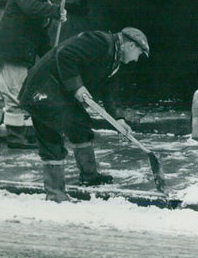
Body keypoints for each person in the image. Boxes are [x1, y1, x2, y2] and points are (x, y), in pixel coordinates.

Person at [19, 27, 150, 202]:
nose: (136, 59)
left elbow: (110, 92)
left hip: (59, 92)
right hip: (43, 90)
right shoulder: (100, 41)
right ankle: (55, 193)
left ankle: (90, 176)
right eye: (139, 54)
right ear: (131, 45)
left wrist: (119, 119)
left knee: (81, 126)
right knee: (51, 139)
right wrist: (77, 86)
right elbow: (65, 55)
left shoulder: (114, 59)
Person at [0, 0, 66, 149]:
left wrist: (50, 56)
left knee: (2, 91)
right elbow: (31, 9)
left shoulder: (45, 0)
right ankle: (16, 136)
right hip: (11, 50)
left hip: (21, 53)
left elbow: (41, 35)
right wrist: (55, 11)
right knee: (16, 92)